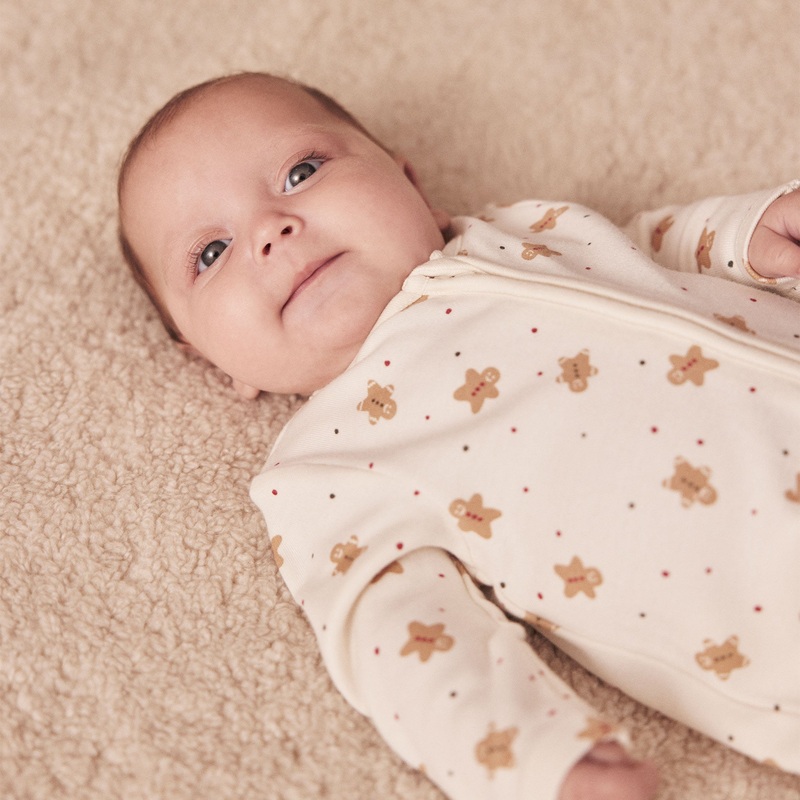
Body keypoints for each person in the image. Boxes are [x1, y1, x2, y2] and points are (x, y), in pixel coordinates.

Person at [117, 71, 800, 800]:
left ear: (409, 183)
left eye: (301, 171)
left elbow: (644, 245)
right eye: (211, 253)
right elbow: (399, 633)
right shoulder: (328, 470)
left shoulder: (527, 231)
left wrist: (744, 234)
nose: (270, 230)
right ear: (209, 359)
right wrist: (531, 758)